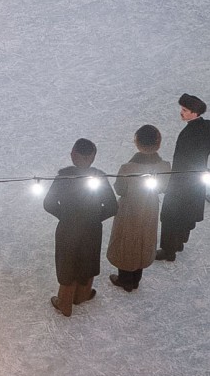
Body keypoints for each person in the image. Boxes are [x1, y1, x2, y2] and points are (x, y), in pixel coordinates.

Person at [43, 142, 112, 314]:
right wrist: (94, 218)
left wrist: (66, 216)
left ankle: (64, 304)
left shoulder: (63, 178)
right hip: (92, 230)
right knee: (88, 261)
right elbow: (112, 207)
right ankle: (82, 295)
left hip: (68, 229)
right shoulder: (99, 178)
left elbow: (49, 204)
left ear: (72, 155)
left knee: (67, 262)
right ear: (93, 157)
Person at [108, 126, 165, 291]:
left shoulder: (128, 168)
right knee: (144, 238)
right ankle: (136, 278)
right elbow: (163, 187)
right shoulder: (164, 166)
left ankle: (125, 279)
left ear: (137, 142)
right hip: (150, 207)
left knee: (126, 240)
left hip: (130, 209)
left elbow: (120, 189)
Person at [158, 97, 210, 260]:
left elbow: (183, 160)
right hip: (197, 179)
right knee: (187, 213)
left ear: (194, 113)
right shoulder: (209, 126)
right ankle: (180, 241)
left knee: (171, 216)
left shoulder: (189, 134)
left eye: (185, 110)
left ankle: (168, 251)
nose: (181, 113)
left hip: (182, 181)